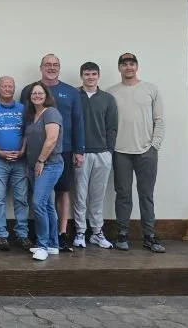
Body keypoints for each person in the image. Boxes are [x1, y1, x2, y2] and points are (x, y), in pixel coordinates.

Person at [19, 54, 85, 252]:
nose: (51, 67)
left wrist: (78, 150)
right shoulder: (32, 111)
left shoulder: (56, 106)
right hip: (35, 160)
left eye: (55, 64)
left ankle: (47, 241)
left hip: (54, 157)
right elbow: (26, 132)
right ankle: (53, 244)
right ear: (41, 67)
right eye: (47, 64)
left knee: (41, 201)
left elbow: (58, 135)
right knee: (46, 203)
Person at [106, 53, 166, 253]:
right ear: (119, 68)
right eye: (124, 64)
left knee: (146, 195)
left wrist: (154, 145)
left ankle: (149, 235)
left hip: (146, 152)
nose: (128, 67)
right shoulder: (111, 92)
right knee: (123, 194)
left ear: (137, 67)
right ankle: (122, 233)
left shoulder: (151, 89)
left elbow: (159, 119)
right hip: (120, 151)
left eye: (131, 64)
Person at [0, 76, 31, 252]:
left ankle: (22, 235)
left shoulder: (23, 109)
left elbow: (27, 132)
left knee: (21, 199)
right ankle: (1, 235)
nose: (8, 89)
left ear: (14, 88)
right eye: (4, 86)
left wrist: (23, 150)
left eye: (11, 86)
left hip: (20, 160)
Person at [73, 62, 118, 249]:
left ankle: (97, 232)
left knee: (97, 196)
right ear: (81, 76)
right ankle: (80, 232)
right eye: (86, 74)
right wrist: (76, 150)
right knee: (80, 195)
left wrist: (109, 150)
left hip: (102, 153)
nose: (90, 77)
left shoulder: (107, 99)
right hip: (80, 154)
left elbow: (112, 127)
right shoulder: (74, 96)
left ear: (98, 76)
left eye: (93, 74)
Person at [23, 82, 64, 261]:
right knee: (47, 205)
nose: (37, 96)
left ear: (46, 95)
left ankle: (42, 245)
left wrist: (40, 160)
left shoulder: (51, 113)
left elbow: (52, 139)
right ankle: (53, 244)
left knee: (38, 203)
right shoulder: (33, 115)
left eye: (40, 93)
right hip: (34, 166)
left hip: (50, 164)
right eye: (34, 93)